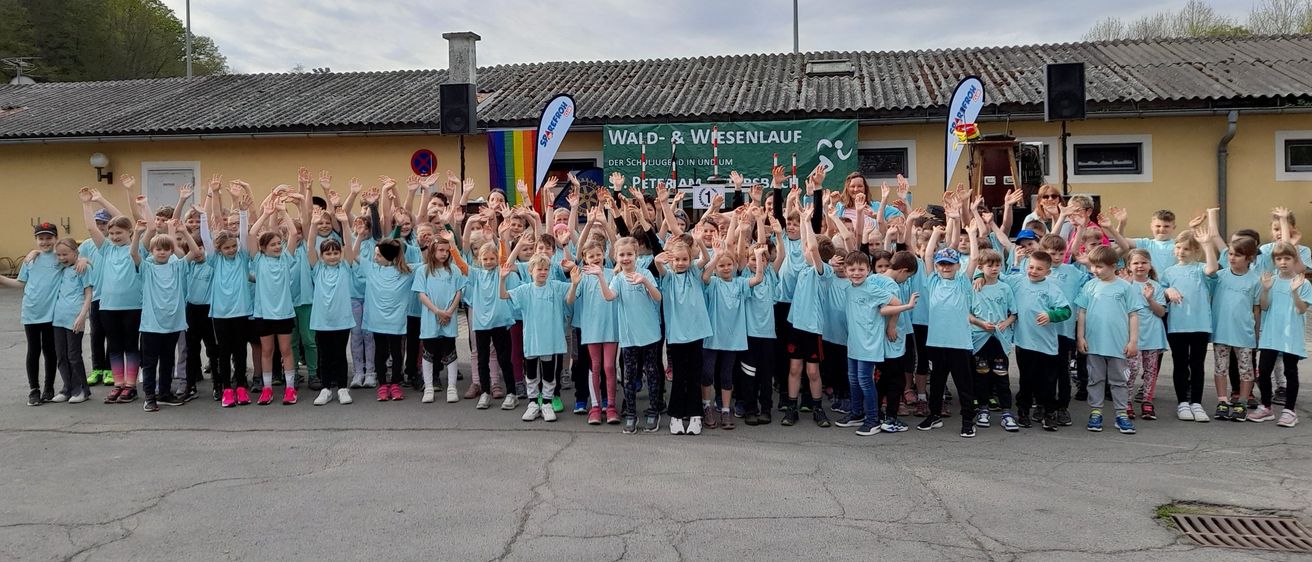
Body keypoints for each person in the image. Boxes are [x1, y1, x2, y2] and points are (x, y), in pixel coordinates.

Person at [917, 191, 980, 438]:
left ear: (956, 265)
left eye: (949, 264)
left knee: (964, 385)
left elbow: (974, 258)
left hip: (959, 343)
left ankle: (968, 420)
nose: (944, 267)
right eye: (942, 264)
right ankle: (933, 415)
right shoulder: (932, 281)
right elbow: (929, 255)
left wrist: (972, 235)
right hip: (937, 342)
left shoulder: (963, 282)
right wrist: (935, 234)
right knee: (938, 384)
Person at [700, 241, 766, 431]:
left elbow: (758, 278)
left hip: (732, 338)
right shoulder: (713, 283)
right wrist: (716, 256)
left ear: (735, 266)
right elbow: (704, 276)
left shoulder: (740, 283)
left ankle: (726, 410)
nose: (726, 268)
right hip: (712, 337)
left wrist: (759, 255)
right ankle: (707, 406)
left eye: (729, 264)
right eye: (722, 265)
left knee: (727, 375)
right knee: (707, 373)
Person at [1075, 246, 1142, 434]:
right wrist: (1080, 337)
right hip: (1094, 343)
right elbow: (1082, 312)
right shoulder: (1090, 286)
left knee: (1119, 380)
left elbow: (1133, 315)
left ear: (1113, 266)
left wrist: (1133, 341)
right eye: (1093, 266)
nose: (1094, 270)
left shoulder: (1125, 287)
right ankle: (1096, 411)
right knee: (1095, 379)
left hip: (1118, 344)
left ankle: (1121, 414)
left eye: (1099, 266)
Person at [138, 216, 202, 412]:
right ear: (152, 251)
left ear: (172, 251)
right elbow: (134, 253)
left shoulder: (177, 266)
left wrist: (183, 232)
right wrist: (138, 234)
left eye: (167, 249)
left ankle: (164, 393)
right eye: (158, 249)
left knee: (168, 361)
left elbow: (196, 251)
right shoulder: (147, 268)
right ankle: (150, 397)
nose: (162, 252)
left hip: (173, 324)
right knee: (149, 363)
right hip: (151, 325)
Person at [1004, 249, 1071, 431]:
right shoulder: (1018, 282)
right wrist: (979, 275)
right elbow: (997, 276)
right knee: (1026, 379)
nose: (1033, 271)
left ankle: (1049, 412)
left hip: (1046, 344)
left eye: (1039, 269)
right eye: (1031, 267)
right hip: (1024, 342)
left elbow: (1066, 311)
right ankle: (1023, 411)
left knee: (1048, 381)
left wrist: (1051, 315)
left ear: (1047, 272)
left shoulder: (1052, 288)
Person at [604, 236, 665, 433]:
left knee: (653, 373)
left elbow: (658, 297)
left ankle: (653, 411)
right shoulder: (617, 279)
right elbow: (609, 297)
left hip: (650, 335)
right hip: (629, 337)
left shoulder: (645, 272)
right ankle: (631, 413)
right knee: (629, 377)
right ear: (616, 257)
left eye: (629, 254)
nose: (626, 258)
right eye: (622, 255)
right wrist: (598, 276)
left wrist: (645, 282)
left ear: (636, 255)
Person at [501, 254, 570, 423]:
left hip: (550, 340)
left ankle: (546, 403)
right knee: (531, 373)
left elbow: (572, 292)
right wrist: (502, 279)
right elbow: (503, 296)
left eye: (546, 269)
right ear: (530, 271)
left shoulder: (555, 287)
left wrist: (574, 278)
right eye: (539, 269)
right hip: (532, 340)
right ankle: (533, 403)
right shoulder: (525, 290)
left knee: (548, 373)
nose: (543, 272)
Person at [1161, 223, 1219, 422]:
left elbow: (1212, 269)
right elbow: (1162, 292)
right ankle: (1182, 403)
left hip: (1200, 325)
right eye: (1178, 247)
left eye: (1186, 248)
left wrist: (1207, 244)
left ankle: (1196, 402)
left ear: (1195, 250)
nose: (1181, 251)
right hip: (1177, 326)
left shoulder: (1200, 269)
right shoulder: (1168, 272)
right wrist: (1168, 291)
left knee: (1197, 364)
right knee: (1180, 364)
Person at [248, 192, 301, 406]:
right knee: (267, 351)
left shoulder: (286, 259)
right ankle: (267, 389)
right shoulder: (258, 260)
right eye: (273, 244)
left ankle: (290, 389)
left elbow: (294, 233)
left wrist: (282, 211)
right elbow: (252, 234)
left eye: (279, 243)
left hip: (285, 313)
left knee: (286, 351)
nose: (278, 246)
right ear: (263, 248)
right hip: (263, 314)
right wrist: (266, 213)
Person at [0, 223, 63, 405]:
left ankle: (48, 387)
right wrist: (2, 279)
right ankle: (34, 389)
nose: (45, 242)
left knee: (50, 351)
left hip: (51, 313)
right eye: (41, 238)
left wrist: (82, 260)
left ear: (55, 238)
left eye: (48, 238)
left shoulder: (60, 257)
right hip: (31, 312)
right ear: (36, 240)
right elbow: (20, 283)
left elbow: (75, 257)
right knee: (33, 351)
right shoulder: (30, 260)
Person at [656, 238, 713, 434]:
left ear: (690, 259)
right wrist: (660, 259)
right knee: (680, 376)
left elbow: (705, 257)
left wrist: (699, 241)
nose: (680, 263)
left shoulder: (695, 273)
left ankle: (696, 415)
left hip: (696, 333)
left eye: (684, 259)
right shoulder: (668, 277)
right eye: (677, 259)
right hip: (678, 335)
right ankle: (677, 416)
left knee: (694, 375)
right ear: (672, 260)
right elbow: (659, 267)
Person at [1250, 243, 1310, 427]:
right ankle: (1266, 407)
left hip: (1291, 335)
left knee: (1290, 372)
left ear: (1295, 260)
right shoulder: (1270, 280)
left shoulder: (1303, 283)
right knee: (1264, 371)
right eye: (1279, 259)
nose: (1283, 262)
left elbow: (1301, 310)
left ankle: (1289, 411)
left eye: (1287, 258)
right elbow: (1265, 306)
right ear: (1274, 261)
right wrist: (1266, 289)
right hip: (1270, 335)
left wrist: (1294, 292)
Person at [206, 184, 254, 407]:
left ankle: (242, 387)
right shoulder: (215, 260)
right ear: (219, 250)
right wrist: (205, 209)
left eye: (234, 246)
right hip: (220, 314)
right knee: (223, 352)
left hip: (241, 311)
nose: (232, 250)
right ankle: (226, 389)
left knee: (240, 352)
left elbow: (243, 235)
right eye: (227, 248)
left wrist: (243, 214)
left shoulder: (243, 258)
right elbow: (209, 234)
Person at [307, 204, 357, 406]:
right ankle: (326, 389)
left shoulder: (346, 267)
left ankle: (342, 389)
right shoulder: (317, 268)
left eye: (335, 253)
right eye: (328, 253)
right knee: (324, 356)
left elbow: (348, 244)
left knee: (339, 355)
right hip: (322, 320)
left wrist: (345, 222)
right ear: (322, 256)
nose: (333, 256)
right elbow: (310, 245)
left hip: (342, 320)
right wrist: (312, 224)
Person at [566, 241, 621, 425]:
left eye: (598, 254)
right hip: (590, 330)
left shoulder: (612, 273)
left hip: (611, 329)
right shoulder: (582, 276)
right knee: (594, 368)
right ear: (584, 259)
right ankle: (596, 407)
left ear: (604, 254)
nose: (595, 258)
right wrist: (574, 285)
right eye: (591, 256)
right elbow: (570, 300)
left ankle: (611, 406)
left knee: (609, 367)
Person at [1209, 237, 1261, 421]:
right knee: (1220, 368)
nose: (1232, 258)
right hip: (1221, 331)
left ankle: (1242, 402)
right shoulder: (1220, 276)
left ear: (1249, 258)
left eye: (1238, 255)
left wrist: (1256, 334)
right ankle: (1222, 401)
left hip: (1244, 333)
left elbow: (1256, 308)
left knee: (1246, 369)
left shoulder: (1255, 281)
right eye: (1230, 254)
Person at [361, 237, 416, 402]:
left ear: (389, 257)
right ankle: (383, 385)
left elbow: (431, 264)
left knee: (397, 353)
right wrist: (344, 224)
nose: (374, 258)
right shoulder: (372, 269)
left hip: (396, 322)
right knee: (380, 352)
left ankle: (395, 384)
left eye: (378, 255)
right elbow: (350, 254)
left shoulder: (407, 271)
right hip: (377, 321)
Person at [465, 242, 519, 411]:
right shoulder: (476, 274)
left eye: (492, 258)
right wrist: (452, 245)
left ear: (496, 258)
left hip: (500, 322)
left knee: (504, 359)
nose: (489, 261)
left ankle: (512, 393)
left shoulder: (500, 272)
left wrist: (502, 240)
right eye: (485, 258)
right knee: (482, 359)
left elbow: (504, 258)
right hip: (481, 323)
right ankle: (485, 392)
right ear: (479, 260)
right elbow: (460, 264)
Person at [968, 249, 1017, 430]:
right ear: (981, 267)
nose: (995, 268)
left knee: (1001, 376)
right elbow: (968, 314)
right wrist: (980, 323)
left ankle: (1006, 412)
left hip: (1000, 339)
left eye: (997, 265)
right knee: (982, 376)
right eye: (990, 265)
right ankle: (983, 409)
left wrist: (1006, 322)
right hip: (980, 339)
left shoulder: (1005, 288)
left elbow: (1014, 313)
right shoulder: (974, 287)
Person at [414, 236, 467, 404]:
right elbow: (421, 294)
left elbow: (459, 292)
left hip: (448, 317)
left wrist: (449, 312)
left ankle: (451, 387)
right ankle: (428, 386)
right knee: (429, 351)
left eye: (446, 250)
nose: (444, 254)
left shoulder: (454, 270)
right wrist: (437, 311)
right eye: (440, 250)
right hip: (431, 317)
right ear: (433, 251)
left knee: (450, 350)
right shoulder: (423, 271)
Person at [1124, 248, 1167, 421]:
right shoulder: (1125, 285)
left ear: (1150, 265)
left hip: (1152, 334)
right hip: (1133, 336)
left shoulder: (1156, 286)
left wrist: (1150, 299)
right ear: (1129, 266)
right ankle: (1125, 401)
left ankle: (1147, 401)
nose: (1140, 266)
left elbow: (1161, 313)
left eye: (1143, 262)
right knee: (1132, 369)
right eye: (1135, 263)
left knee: (1151, 370)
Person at [48, 238, 93, 404]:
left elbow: (88, 294)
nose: (61, 258)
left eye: (65, 254)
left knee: (73, 355)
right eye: (58, 255)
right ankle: (67, 388)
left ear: (76, 253)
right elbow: (44, 254)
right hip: (58, 319)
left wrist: (82, 316)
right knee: (61, 355)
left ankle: (82, 389)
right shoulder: (61, 269)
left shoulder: (82, 268)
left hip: (75, 318)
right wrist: (34, 252)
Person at [1112, 208, 1178, 277]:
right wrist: (1122, 223)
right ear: (1151, 226)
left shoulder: (1178, 245)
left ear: (1174, 227)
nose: (1162, 229)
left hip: (1172, 285)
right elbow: (1120, 241)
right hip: (1149, 285)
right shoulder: (1145, 243)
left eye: (1166, 226)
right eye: (1158, 226)